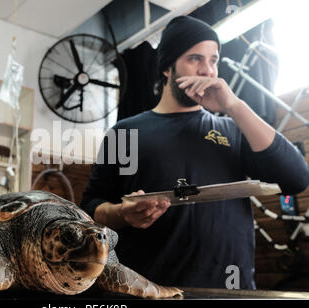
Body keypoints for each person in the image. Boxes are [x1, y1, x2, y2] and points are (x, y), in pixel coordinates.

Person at [80, 15, 309, 290]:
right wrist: (121, 213)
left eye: (213, 60)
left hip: (229, 291)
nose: (208, 70)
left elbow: (296, 179)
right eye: (195, 59)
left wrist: (234, 106)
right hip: (151, 291)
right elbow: (91, 208)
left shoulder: (233, 129)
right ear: (167, 68)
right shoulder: (124, 132)